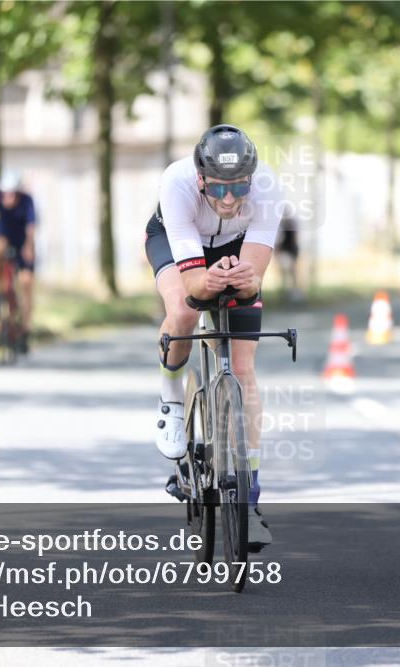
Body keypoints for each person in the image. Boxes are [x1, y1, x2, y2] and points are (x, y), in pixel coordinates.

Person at [144, 124, 284, 549]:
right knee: (184, 312)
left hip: (234, 248)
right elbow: (193, 287)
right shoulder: (177, 182)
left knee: (243, 368)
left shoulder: (268, 189)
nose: (228, 198)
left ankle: (250, 494)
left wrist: (245, 281)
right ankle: (171, 395)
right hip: (177, 244)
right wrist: (210, 281)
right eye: (219, 188)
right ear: (201, 178)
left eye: (238, 186)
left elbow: (254, 280)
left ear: (250, 179)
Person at [0, 171, 37, 354]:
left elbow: (31, 227)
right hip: (3, 237)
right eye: (5, 193)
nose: (8, 197)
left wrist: (29, 247)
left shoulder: (27, 201)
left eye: (12, 193)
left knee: (26, 284)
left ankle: (25, 330)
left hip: (22, 242)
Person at [275, 214, 302, 301]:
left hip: (290, 251)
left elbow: (293, 240)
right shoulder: (283, 226)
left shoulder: (289, 225)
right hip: (286, 251)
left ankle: (293, 292)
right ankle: (288, 292)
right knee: (287, 273)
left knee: (291, 273)